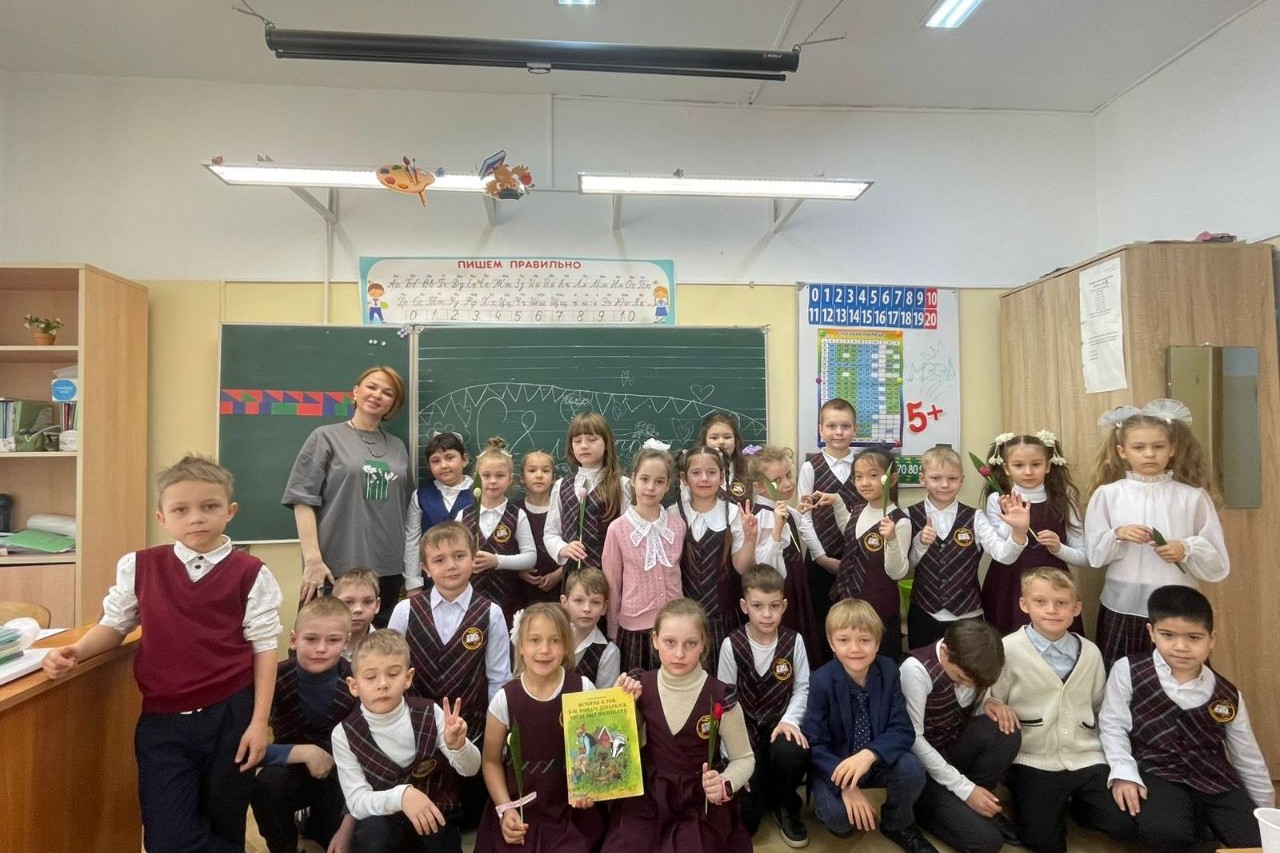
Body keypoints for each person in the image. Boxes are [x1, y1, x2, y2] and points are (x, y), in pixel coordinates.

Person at [44, 454, 283, 853]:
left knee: (224, 822)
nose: (196, 518)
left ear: (230, 511)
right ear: (162, 518)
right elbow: (115, 624)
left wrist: (259, 723)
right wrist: (77, 651)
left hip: (231, 715)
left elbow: (264, 648)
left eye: (209, 506)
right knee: (167, 838)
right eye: (181, 510)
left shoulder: (251, 573)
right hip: (162, 721)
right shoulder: (139, 566)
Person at [1099, 585, 1274, 851]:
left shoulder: (1227, 694)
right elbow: (1113, 725)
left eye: (1194, 637)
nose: (1181, 647)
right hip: (1157, 772)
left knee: (1255, 839)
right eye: (1168, 635)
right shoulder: (1129, 670)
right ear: (1152, 632)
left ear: (1211, 639)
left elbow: (1247, 756)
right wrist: (1124, 773)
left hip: (1214, 778)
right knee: (1165, 833)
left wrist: (1265, 811)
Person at [983, 568, 1137, 853]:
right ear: (1024, 605)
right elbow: (991, 698)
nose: (1052, 610)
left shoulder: (1090, 652)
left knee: (1125, 824)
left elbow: (1100, 707)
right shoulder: (1008, 649)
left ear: (1076, 608)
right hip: (1033, 758)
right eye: (1040, 602)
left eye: (1062, 603)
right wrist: (993, 703)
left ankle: (1080, 806)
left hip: (1085, 756)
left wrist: (1116, 763)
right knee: (1043, 842)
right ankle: (1037, 801)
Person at [602, 598, 755, 853]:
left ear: (704, 643)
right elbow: (614, 751)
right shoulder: (640, 686)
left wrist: (725, 782)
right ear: (655, 640)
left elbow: (744, 758)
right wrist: (619, 707)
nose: (679, 653)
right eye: (670, 642)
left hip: (698, 801)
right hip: (647, 797)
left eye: (690, 643)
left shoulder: (721, 697)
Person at [1085, 399, 1229, 668]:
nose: (1149, 454)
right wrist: (1118, 534)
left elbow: (1217, 561)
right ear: (1122, 451)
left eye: (1158, 446)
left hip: (1177, 606)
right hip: (1122, 604)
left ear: (1172, 448)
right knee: (1123, 674)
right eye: (1139, 447)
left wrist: (1185, 548)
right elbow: (1095, 554)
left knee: (1181, 672)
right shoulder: (1108, 495)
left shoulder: (1192, 497)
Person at [389, 519, 512, 828]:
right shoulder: (405, 611)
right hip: (416, 733)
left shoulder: (491, 613)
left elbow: (498, 680)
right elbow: (389, 673)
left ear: (473, 558)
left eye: (459, 556)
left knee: (467, 820)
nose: (451, 565)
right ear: (426, 568)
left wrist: (496, 738)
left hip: (471, 733)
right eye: (439, 559)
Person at [474, 602, 617, 853]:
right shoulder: (505, 699)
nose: (544, 650)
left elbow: (597, 754)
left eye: (555, 640)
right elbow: (491, 761)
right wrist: (505, 809)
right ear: (520, 646)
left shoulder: (583, 689)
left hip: (570, 811)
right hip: (520, 809)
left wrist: (592, 790)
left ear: (566, 645)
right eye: (534, 640)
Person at [802, 598, 935, 853]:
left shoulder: (888, 671)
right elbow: (815, 744)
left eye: (864, 640)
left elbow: (902, 729)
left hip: (873, 759)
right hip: (836, 765)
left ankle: (897, 823)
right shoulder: (821, 680)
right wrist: (845, 785)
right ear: (831, 643)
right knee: (841, 822)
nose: (855, 649)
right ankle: (836, 800)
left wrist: (869, 754)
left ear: (877, 643)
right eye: (844, 640)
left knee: (912, 769)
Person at [331, 629, 480, 853]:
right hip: (382, 823)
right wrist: (402, 796)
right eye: (370, 677)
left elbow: (471, 769)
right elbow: (356, 801)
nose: (383, 684)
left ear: (408, 678)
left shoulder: (431, 712)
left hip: (435, 814)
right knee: (371, 839)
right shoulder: (343, 734)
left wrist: (458, 746)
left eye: (393, 674)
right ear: (354, 685)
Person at [284, 366, 413, 627]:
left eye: (387, 393)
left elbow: (405, 508)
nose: (377, 395)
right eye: (371, 387)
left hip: (388, 569)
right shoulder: (325, 437)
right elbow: (302, 500)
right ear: (355, 392)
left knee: (378, 646)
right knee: (326, 642)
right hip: (335, 568)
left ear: (393, 404)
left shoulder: (398, 446)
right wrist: (313, 560)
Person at [901, 619, 1021, 853]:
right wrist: (965, 790)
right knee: (988, 842)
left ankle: (976, 804)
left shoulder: (974, 665)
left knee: (1007, 730)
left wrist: (990, 702)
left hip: (952, 749)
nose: (968, 685)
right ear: (945, 651)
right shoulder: (915, 670)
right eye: (961, 678)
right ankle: (924, 808)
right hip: (922, 767)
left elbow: (968, 704)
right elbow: (913, 739)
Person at [251, 595, 359, 853]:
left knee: (342, 838)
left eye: (333, 640)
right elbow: (247, 748)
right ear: (294, 639)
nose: (321, 648)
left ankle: (314, 824)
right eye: (311, 639)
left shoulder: (357, 681)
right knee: (267, 786)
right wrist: (305, 753)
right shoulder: (273, 679)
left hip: (343, 777)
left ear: (346, 642)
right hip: (291, 769)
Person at [716, 565, 811, 846]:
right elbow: (725, 700)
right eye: (758, 606)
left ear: (784, 606)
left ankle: (786, 804)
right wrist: (731, 758)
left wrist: (790, 721)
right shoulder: (731, 644)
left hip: (779, 725)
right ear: (744, 606)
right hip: (744, 732)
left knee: (791, 750)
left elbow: (803, 688)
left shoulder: (794, 641)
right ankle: (760, 788)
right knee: (747, 823)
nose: (767, 614)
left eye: (774, 606)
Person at [975, 431, 1088, 636]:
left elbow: (1085, 557)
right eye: (1019, 465)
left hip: (1053, 588)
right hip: (1008, 585)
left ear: (1048, 466)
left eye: (1036, 464)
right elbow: (998, 550)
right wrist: (1010, 520)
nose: (1028, 472)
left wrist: (1059, 548)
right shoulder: (998, 500)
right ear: (1006, 468)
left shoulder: (1063, 500)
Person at [804, 447, 910, 659]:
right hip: (848, 605)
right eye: (859, 477)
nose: (864, 482)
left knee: (878, 664)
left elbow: (897, 572)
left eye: (873, 476)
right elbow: (851, 531)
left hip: (879, 611)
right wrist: (837, 502)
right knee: (847, 660)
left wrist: (891, 539)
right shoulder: (859, 509)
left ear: (892, 479)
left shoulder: (900, 521)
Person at [602, 441, 686, 671]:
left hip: (675, 626)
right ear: (633, 480)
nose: (650, 487)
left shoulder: (677, 526)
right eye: (644, 479)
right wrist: (613, 630)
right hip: (634, 629)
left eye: (659, 481)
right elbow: (612, 583)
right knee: (638, 687)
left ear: (667, 485)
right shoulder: (617, 529)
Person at [672, 444, 759, 662]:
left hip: (724, 615)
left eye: (711, 472)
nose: (704, 478)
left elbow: (740, 567)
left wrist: (750, 537)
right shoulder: (673, 514)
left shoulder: (733, 513)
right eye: (696, 473)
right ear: (684, 479)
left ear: (722, 477)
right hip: (685, 617)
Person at [745, 444, 821, 665]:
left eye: (788, 475)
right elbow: (764, 568)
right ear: (759, 486)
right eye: (777, 480)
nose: (787, 483)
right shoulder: (762, 518)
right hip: (778, 594)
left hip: (796, 588)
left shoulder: (787, 511)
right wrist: (777, 530)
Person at [796, 398, 863, 641]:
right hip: (818, 560)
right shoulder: (810, 467)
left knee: (855, 624)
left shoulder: (863, 467)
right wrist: (821, 557)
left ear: (855, 429)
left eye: (845, 426)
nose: (838, 432)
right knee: (820, 624)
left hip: (858, 559)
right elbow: (804, 517)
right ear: (821, 429)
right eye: (832, 426)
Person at [907, 446, 984, 649]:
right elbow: (904, 568)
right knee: (922, 665)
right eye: (935, 478)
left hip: (968, 614)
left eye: (952, 478)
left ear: (962, 480)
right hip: (924, 613)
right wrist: (919, 543)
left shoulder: (977, 517)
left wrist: (1018, 533)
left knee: (970, 666)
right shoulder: (907, 516)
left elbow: (1004, 555)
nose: (944, 484)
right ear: (922, 479)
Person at [456, 436, 537, 626]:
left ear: (510, 480)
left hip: (508, 600)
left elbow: (530, 557)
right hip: (470, 600)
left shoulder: (517, 515)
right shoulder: (463, 515)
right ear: (477, 478)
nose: (493, 481)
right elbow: (455, 555)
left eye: (500, 476)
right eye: (486, 475)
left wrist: (497, 561)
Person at [544, 412, 630, 572]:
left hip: (608, 574)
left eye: (592, 439)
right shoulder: (561, 486)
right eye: (577, 441)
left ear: (606, 443)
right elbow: (550, 532)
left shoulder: (622, 485)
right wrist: (563, 548)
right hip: (573, 576)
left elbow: (629, 534)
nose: (584, 445)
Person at [404, 432, 474, 597]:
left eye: (450, 458)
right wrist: (413, 584)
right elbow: (412, 541)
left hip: (474, 580)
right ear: (429, 466)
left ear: (464, 459)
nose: (443, 465)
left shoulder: (480, 492)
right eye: (436, 461)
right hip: (432, 579)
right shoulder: (421, 496)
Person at [560, 565, 622, 689]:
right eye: (579, 601)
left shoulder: (608, 652)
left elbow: (604, 696)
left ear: (604, 607)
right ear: (564, 602)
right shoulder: (553, 637)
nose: (587, 609)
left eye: (595, 602)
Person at [517, 448, 563, 605]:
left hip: (560, 587)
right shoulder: (513, 510)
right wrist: (519, 570)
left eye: (545, 470)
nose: (539, 475)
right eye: (532, 470)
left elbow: (574, 546)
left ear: (553, 478)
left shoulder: (563, 510)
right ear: (522, 478)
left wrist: (559, 574)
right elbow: (507, 548)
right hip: (522, 590)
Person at [694, 411, 752, 503]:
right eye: (714, 438)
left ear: (736, 442)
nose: (721, 442)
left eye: (727, 437)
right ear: (704, 442)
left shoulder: (748, 469)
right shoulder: (694, 471)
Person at [334, 568, 381, 660]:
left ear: (377, 605)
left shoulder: (387, 647)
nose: (358, 609)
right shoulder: (321, 647)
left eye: (367, 602)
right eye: (348, 602)